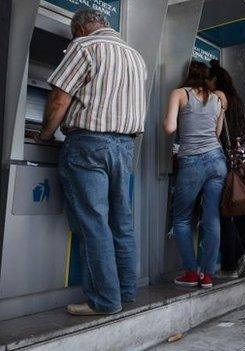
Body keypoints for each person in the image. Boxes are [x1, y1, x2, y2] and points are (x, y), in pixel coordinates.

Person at [38, 9, 147, 315]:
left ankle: (104, 300)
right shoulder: (135, 56)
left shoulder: (84, 47)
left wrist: (45, 134)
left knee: (93, 223)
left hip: (88, 145)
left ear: (81, 28)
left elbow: (60, 99)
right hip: (124, 146)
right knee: (121, 223)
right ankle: (126, 292)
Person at [163, 61, 228, 288]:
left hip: (191, 161)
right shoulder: (217, 99)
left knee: (181, 218)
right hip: (217, 160)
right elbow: (217, 132)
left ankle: (191, 272)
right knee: (211, 218)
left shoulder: (179, 94)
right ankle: (207, 275)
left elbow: (170, 128)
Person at [208, 60, 245, 279]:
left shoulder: (217, 96)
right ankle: (237, 256)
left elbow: (215, 130)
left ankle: (231, 263)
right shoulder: (236, 100)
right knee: (227, 208)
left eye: (208, 79)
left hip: (222, 157)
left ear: (215, 80)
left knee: (223, 210)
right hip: (237, 159)